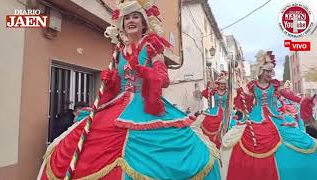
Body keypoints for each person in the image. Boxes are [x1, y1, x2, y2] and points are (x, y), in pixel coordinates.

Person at [38, 1, 220, 179]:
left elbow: (163, 80)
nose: (131, 21)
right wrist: (110, 80)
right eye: (127, 18)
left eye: (135, 17)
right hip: (118, 104)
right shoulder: (119, 51)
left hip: (146, 105)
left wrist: (142, 70)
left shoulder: (152, 48)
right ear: (122, 25)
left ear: (144, 24)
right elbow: (117, 84)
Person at [220, 50, 317, 180]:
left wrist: (302, 100)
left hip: (277, 117)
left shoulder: (275, 84)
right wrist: (244, 95)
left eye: (272, 71)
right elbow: (246, 105)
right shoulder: (252, 85)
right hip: (256, 118)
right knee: (239, 139)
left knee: (301, 140)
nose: (271, 74)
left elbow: (288, 95)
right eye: (268, 71)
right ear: (261, 71)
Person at [200, 72, 228, 149]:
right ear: (218, 84)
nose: (222, 85)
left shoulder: (228, 93)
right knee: (207, 122)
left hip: (225, 111)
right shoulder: (214, 92)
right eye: (221, 84)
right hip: (215, 111)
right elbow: (205, 94)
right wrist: (209, 87)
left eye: (224, 84)